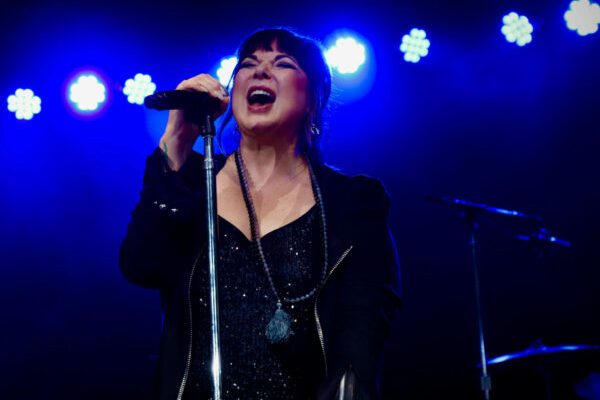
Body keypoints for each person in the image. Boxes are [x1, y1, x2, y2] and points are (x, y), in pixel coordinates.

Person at [120, 27, 401, 400]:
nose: (260, 71)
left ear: (313, 99)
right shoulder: (190, 186)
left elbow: (360, 337)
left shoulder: (353, 203)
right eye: (248, 65)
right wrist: (175, 144)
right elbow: (140, 265)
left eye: (282, 64)